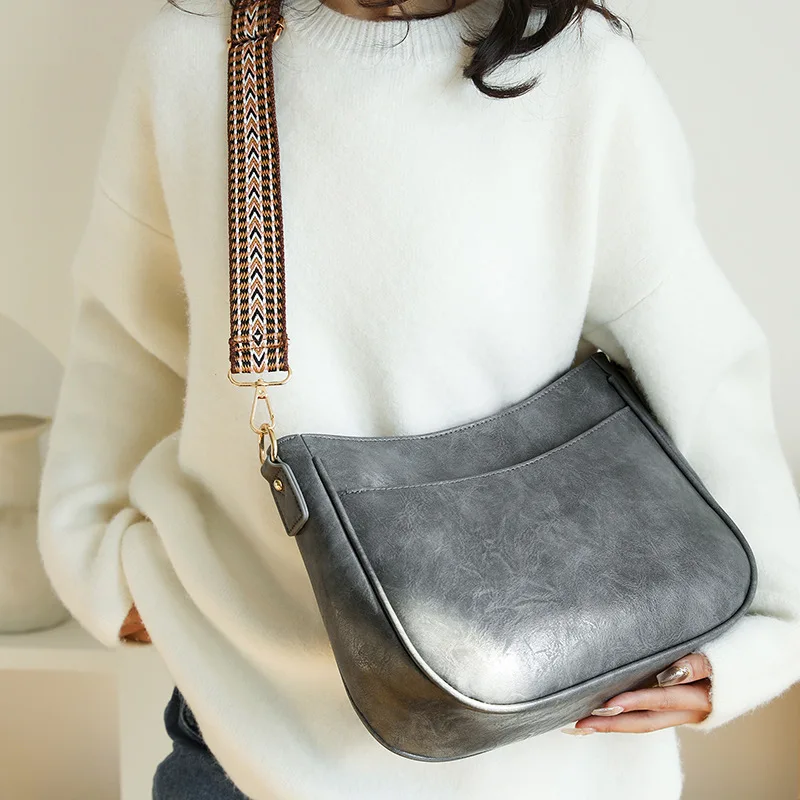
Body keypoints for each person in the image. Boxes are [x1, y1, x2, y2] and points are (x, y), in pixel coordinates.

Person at [37, 0, 800, 797]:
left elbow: (698, 360)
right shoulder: (196, 58)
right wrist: (99, 561)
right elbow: (130, 336)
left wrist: (763, 633)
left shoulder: (580, 69)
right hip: (250, 731)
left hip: (545, 743)